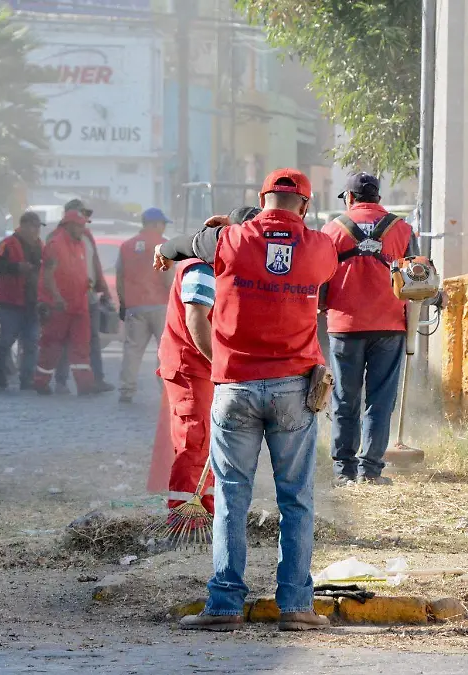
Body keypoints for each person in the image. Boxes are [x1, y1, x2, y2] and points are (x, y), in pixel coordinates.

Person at [154, 169, 337, 632]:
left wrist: (165, 248)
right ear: (305, 207)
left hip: (234, 387)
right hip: (294, 389)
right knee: (296, 500)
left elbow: (183, 245)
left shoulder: (230, 241)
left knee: (233, 498)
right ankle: (295, 606)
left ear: (262, 198)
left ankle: (224, 605)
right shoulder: (318, 247)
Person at [321, 172, 438, 486]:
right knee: (380, 399)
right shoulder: (401, 229)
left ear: (349, 198)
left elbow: (319, 281)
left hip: (344, 327)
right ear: (378, 197)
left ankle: (343, 471)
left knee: (345, 399)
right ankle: (370, 470)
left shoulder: (331, 230)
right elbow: (418, 279)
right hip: (389, 326)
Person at [154, 205, 257, 517]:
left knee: (204, 439)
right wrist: (222, 365)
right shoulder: (204, 267)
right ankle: (185, 513)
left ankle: (205, 507)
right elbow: (197, 321)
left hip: (201, 365)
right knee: (194, 438)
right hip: (191, 364)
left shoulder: (223, 262)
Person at [54, 198, 114, 394]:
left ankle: (96, 379)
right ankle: (61, 381)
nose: (85, 219)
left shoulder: (87, 236)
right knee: (64, 339)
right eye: (81, 214)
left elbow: (95, 264)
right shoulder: (56, 238)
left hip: (89, 295)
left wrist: (104, 290)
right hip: (67, 297)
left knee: (92, 339)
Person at [34, 210, 99, 395]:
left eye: (84, 225)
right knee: (51, 346)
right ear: (68, 225)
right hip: (60, 306)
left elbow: (77, 272)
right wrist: (56, 298)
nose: (83, 229)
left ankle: (85, 385)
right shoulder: (55, 245)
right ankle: (41, 382)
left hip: (79, 305)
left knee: (81, 345)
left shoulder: (79, 244)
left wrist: (87, 284)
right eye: (79, 225)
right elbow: (47, 275)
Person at [117, 207, 173, 404]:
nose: (164, 227)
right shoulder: (164, 245)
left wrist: (124, 303)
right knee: (166, 350)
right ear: (155, 224)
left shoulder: (126, 246)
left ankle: (126, 390)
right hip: (160, 305)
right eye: (163, 224)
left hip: (134, 306)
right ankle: (166, 390)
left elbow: (120, 278)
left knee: (132, 350)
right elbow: (169, 279)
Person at [0, 211, 44, 390]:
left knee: (32, 342)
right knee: (7, 341)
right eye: (34, 227)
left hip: (32, 303)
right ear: (25, 226)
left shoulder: (39, 246)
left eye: (38, 227)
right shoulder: (8, 243)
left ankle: (27, 380)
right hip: (10, 302)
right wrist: (15, 268)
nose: (37, 231)